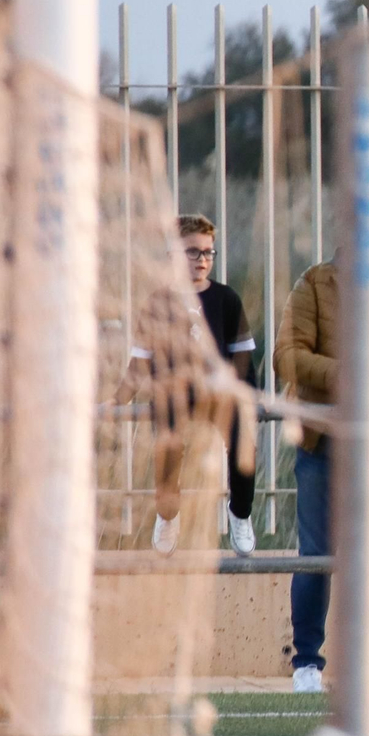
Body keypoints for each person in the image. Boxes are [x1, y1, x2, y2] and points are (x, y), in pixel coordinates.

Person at [275, 212, 369, 693]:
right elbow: (285, 355)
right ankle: (307, 663)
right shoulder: (315, 282)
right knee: (316, 553)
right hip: (323, 439)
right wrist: (348, 372)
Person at [114, 213, 257, 557]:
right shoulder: (158, 302)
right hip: (174, 396)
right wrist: (115, 402)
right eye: (193, 252)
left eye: (208, 253)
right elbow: (140, 362)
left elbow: (243, 362)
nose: (203, 260)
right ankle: (168, 515)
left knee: (243, 443)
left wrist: (250, 398)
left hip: (219, 396)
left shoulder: (227, 300)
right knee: (167, 449)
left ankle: (240, 513)